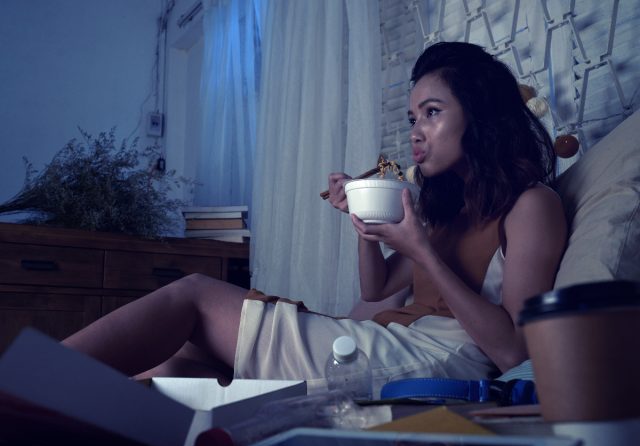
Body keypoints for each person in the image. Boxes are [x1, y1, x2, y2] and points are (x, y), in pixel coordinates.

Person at [63, 42, 566, 396]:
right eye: (413, 118)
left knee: (195, 293)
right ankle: (47, 421)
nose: (416, 131)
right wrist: (365, 226)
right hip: (393, 337)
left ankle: (27, 386)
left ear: (479, 117)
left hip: (438, 359)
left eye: (432, 112)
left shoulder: (531, 205)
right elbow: (377, 290)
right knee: (177, 367)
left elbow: (512, 351)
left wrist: (423, 252)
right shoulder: (452, 209)